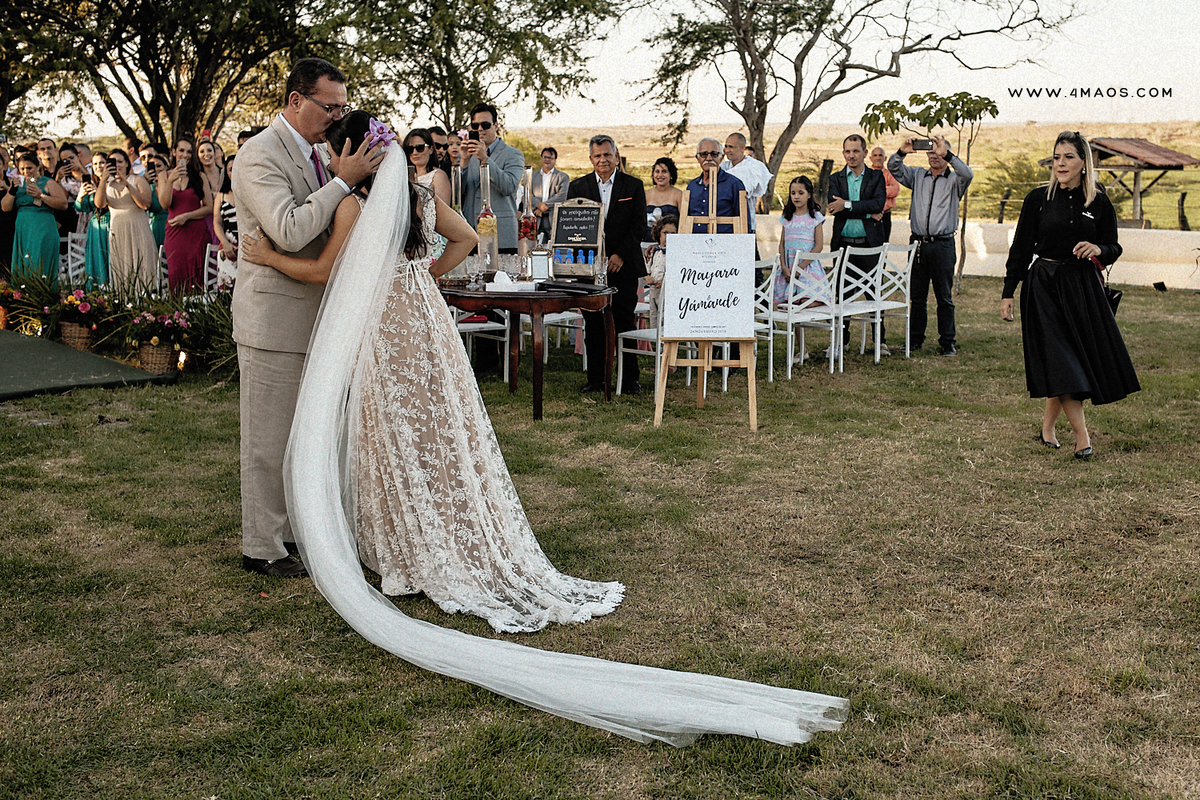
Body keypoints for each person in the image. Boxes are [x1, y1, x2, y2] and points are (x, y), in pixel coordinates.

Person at [281, 118, 848, 747]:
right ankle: (442, 533)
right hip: (425, 311)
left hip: (386, 322)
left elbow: (323, 275)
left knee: (392, 432)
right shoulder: (419, 195)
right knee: (444, 433)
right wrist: (425, 277)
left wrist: (265, 255)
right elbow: (467, 237)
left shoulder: (354, 210)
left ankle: (403, 551)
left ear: (352, 154)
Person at [231, 57, 382, 578]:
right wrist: (342, 184)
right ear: (296, 100)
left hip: (318, 316)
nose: (336, 116)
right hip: (273, 319)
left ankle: (294, 531)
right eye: (329, 106)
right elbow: (290, 230)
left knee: (303, 436)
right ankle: (262, 546)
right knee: (268, 438)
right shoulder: (258, 156)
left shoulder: (319, 153)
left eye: (342, 106)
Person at [1001, 131, 1140, 459]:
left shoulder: (1098, 200)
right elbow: (1020, 249)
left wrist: (1099, 249)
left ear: (1083, 163)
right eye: (1057, 157)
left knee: (1068, 361)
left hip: (1081, 288)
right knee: (1062, 360)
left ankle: (1047, 428)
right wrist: (1008, 292)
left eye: (1068, 158)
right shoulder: (1037, 199)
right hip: (1044, 286)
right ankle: (1082, 438)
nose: (1060, 164)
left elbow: (1114, 246)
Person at [566, 134, 648, 395]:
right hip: (589, 268)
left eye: (607, 155)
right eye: (597, 155)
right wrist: (590, 258)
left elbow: (639, 226)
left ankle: (629, 380)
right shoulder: (577, 187)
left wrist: (620, 255)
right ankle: (596, 380)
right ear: (591, 159)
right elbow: (573, 227)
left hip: (622, 267)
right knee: (593, 325)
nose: (603, 160)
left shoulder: (633, 186)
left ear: (616, 157)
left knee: (625, 322)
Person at [889, 135, 973, 355]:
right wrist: (902, 151)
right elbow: (893, 168)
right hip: (918, 244)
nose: (934, 156)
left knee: (944, 296)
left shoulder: (955, 180)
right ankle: (915, 339)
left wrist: (949, 155)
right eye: (931, 152)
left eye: (939, 152)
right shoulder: (918, 175)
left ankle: (947, 342)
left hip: (943, 244)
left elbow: (968, 173)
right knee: (917, 296)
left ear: (946, 154)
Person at [828, 133, 887, 356]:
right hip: (843, 245)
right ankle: (841, 341)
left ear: (864, 152)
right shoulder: (836, 179)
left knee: (874, 293)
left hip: (869, 244)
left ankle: (879, 341)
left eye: (855, 151)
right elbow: (834, 207)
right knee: (843, 295)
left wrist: (849, 205)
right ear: (843, 153)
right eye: (847, 151)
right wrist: (867, 213)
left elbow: (879, 203)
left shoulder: (876, 177)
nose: (851, 155)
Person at [459, 102, 523, 253]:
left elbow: (509, 186)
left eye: (485, 125)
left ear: (495, 126)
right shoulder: (467, 155)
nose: (480, 129)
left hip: (501, 237)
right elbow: (457, 194)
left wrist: (485, 159)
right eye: (475, 126)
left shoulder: (513, 154)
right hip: (470, 235)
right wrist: (464, 162)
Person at [96, 149, 158, 295]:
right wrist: (102, 180)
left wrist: (126, 182)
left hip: (137, 227)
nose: (116, 165)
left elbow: (145, 204)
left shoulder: (138, 180)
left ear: (126, 164)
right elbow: (99, 204)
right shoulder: (106, 183)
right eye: (112, 162)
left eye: (120, 162)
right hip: (118, 230)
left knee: (141, 266)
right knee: (121, 269)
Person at [157, 136, 213, 292]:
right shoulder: (164, 176)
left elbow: (209, 207)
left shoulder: (199, 176)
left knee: (197, 276)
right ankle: (177, 314)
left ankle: (198, 313)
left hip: (196, 233)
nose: (185, 155)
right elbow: (164, 204)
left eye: (189, 152)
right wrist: (170, 181)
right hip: (174, 234)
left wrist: (187, 216)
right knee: (176, 275)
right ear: (174, 152)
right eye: (181, 150)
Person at [3, 152, 68, 284]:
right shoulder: (18, 184)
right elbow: (5, 207)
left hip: (43, 226)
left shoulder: (48, 183)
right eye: (22, 169)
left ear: (38, 167)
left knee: (39, 261)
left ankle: (43, 297)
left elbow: (63, 204)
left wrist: (41, 196)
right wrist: (12, 190)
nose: (26, 172)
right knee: (24, 262)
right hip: (24, 228)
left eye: (29, 168)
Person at [775, 176, 826, 306]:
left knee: (806, 302)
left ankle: (824, 303)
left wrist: (800, 268)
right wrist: (784, 267)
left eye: (800, 193)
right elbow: (782, 245)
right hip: (788, 267)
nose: (796, 197)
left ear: (809, 194)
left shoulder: (815, 217)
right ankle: (795, 327)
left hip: (807, 267)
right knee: (791, 302)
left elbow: (818, 246)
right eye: (793, 193)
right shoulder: (787, 218)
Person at [403, 128, 449, 261]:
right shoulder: (403, 177)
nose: (415, 152)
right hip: (409, 241)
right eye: (410, 149)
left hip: (432, 241)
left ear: (431, 149)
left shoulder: (438, 176)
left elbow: (442, 214)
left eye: (420, 148)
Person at [721, 132, 772, 248]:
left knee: (751, 264)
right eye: (726, 146)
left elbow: (740, 189)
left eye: (731, 147)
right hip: (724, 226)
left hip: (746, 226)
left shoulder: (752, 167)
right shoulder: (723, 167)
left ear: (742, 148)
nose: (727, 150)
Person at [685, 138, 746, 233]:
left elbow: (744, 220)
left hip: (725, 243)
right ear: (697, 158)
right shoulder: (692, 186)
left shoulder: (734, 184)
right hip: (696, 244)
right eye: (704, 154)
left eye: (714, 154)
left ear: (721, 157)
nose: (709, 158)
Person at [74, 154, 111, 287]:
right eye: (94, 164)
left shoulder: (113, 182)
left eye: (101, 162)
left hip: (110, 224)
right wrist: (80, 196)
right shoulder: (91, 182)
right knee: (96, 261)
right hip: (95, 226)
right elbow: (82, 208)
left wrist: (98, 192)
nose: (98, 166)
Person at [643, 214, 677, 326]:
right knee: (654, 318)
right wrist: (647, 277)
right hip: (653, 290)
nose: (669, 236)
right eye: (665, 233)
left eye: (673, 234)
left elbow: (677, 274)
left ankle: (664, 340)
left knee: (666, 320)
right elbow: (646, 268)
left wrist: (665, 282)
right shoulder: (654, 251)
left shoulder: (676, 253)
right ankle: (654, 339)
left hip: (668, 293)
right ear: (659, 233)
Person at [530, 146, 569, 243]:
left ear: (555, 160)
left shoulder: (563, 177)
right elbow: (526, 195)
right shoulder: (532, 176)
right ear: (541, 158)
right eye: (545, 157)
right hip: (535, 216)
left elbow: (562, 196)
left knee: (554, 246)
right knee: (535, 246)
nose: (547, 160)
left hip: (553, 217)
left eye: (550, 158)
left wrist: (543, 207)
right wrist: (538, 205)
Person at [212, 156, 239, 288]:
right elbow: (216, 222)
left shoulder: (250, 193)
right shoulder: (221, 195)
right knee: (227, 288)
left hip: (248, 244)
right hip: (227, 243)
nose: (234, 172)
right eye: (231, 169)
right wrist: (225, 243)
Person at [644, 156, 683, 241]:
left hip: (670, 242)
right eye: (657, 171)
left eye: (664, 171)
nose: (660, 175)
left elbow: (683, 223)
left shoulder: (679, 194)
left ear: (671, 175)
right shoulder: (646, 194)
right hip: (646, 241)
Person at [869, 146, 900, 243]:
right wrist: (885, 189)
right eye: (875, 155)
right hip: (869, 216)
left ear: (885, 158)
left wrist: (876, 190)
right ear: (870, 158)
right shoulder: (866, 174)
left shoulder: (890, 174)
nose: (878, 158)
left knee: (884, 245)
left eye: (880, 155)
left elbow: (895, 190)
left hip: (885, 216)